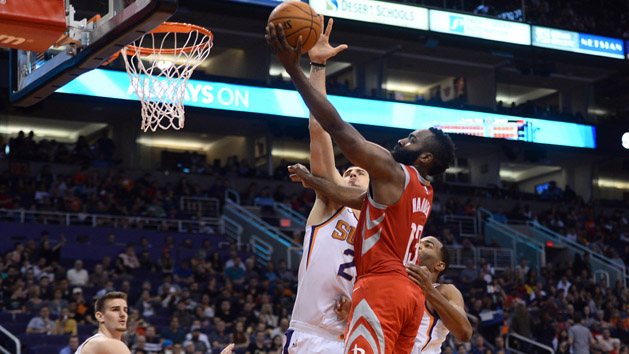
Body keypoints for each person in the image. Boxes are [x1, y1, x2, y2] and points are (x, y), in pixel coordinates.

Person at [269, 18, 455, 352]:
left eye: (412, 139)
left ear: (426, 157)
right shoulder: (421, 190)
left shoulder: (393, 173)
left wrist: (293, 69)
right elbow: (351, 195)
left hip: (380, 291)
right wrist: (315, 182)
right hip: (401, 299)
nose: (402, 139)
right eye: (349, 171)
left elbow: (334, 125)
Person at [282, 17, 369, 354]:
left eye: (359, 172)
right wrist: (317, 64)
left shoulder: (383, 224)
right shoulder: (332, 202)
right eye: (346, 171)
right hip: (313, 333)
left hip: (357, 333)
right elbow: (319, 129)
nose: (350, 174)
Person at [334, 236, 472, 354]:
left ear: (440, 265)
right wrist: (354, 313)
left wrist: (429, 290)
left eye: (427, 246)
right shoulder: (394, 286)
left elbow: (464, 333)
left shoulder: (444, 290)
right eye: (418, 243)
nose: (419, 246)